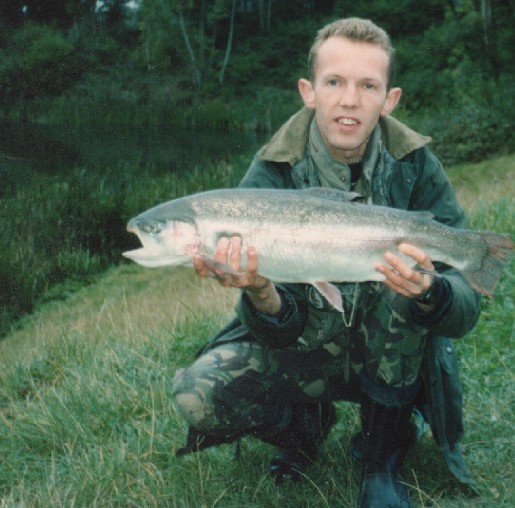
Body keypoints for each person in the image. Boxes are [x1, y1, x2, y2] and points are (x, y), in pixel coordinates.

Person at [172, 17, 481, 507]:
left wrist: (433, 291)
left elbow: (465, 306)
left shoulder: (417, 165)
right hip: (306, 348)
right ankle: (303, 428)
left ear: (390, 98)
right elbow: (275, 322)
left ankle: (381, 461)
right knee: (195, 394)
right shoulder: (269, 173)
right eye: (334, 82)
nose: (350, 99)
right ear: (308, 91)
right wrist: (259, 290)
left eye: (368, 85)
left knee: (402, 290)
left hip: (391, 355)